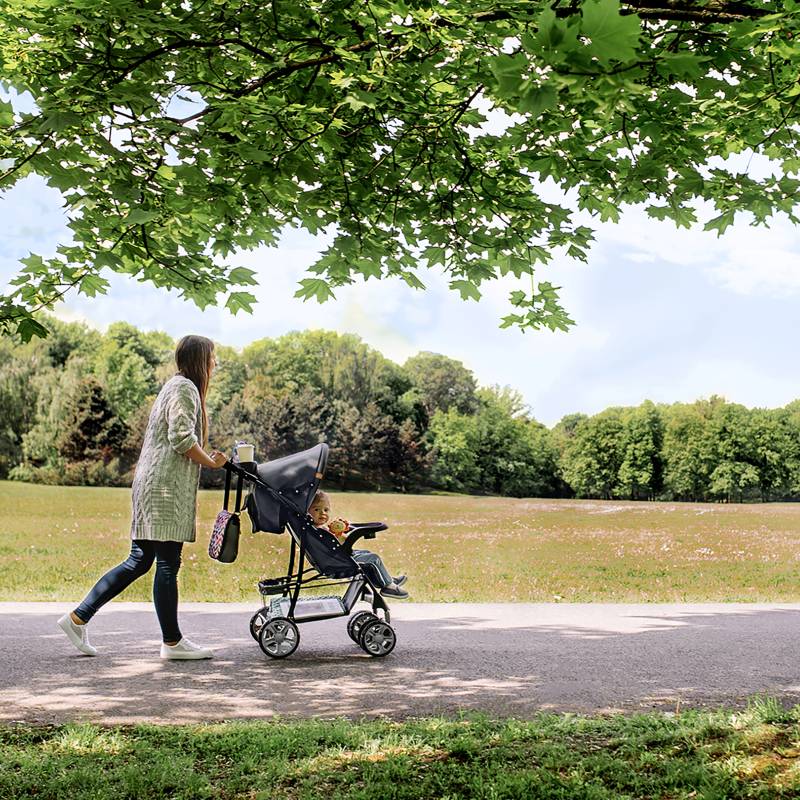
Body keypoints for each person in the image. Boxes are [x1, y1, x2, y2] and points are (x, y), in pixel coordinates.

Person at [57, 335, 228, 660]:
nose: (215, 364)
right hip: (163, 489)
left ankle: (78, 618)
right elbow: (181, 438)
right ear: (200, 360)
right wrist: (212, 463)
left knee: (140, 560)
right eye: (212, 358)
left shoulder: (176, 386)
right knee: (166, 563)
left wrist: (207, 458)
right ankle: (173, 643)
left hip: (153, 484)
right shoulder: (184, 388)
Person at [308, 490, 408, 598]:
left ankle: (386, 578)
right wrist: (341, 534)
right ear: (307, 511)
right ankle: (388, 586)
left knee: (366, 553)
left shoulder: (312, 529)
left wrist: (340, 530)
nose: (323, 513)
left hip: (333, 558)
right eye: (317, 509)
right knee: (373, 558)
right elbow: (342, 542)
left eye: (326, 510)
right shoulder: (320, 531)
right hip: (338, 561)